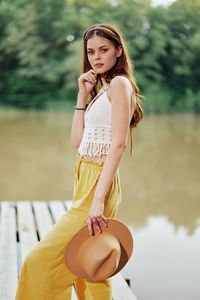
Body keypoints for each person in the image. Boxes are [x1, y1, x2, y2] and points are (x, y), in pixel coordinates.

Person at [15, 23, 143, 300]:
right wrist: (82, 95)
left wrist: (97, 199)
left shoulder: (119, 84)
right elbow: (77, 139)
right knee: (87, 265)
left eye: (104, 50)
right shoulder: (102, 88)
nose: (96, 57)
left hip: (98, 181)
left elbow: (118, 145)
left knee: (38, 261)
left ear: (119, 51)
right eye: (91, 52)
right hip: (85, 176)